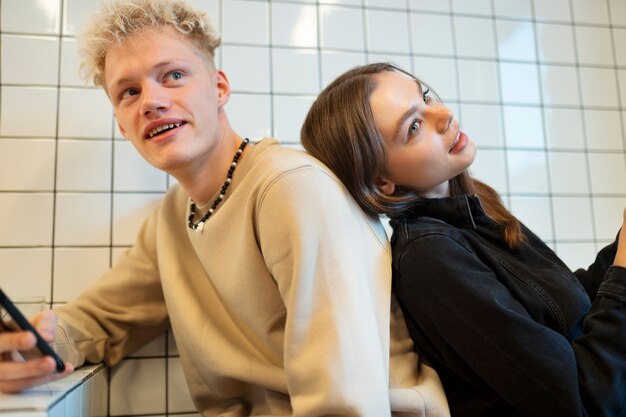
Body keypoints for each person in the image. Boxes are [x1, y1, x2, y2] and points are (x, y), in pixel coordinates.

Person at [0, 2, 453, 416]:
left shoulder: (291, 188)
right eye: (129, 92)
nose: (152, 101)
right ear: (122, 124)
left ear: (219, 88)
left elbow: (345, 400)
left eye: (173, 75)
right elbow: (102, 320)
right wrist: (32, 345)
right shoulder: (172, 218)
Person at [300, 62, 626, 417]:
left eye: (424, 97)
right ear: (381, 182)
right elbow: (583, 402)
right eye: (414, 126)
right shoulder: (429, 258)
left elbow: (563, 311)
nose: (444, 114)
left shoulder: (475, 205)